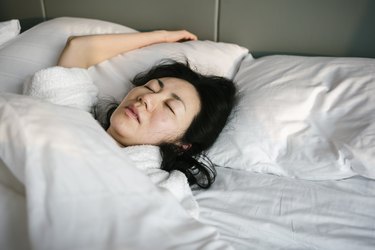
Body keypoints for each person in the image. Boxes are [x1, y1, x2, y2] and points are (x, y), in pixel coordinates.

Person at [51, 30, 237, 188]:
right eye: (150, 88)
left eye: (169, 107)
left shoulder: (160, 188)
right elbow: (78, 47)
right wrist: (162, 36)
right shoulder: (72, 114)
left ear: (182, 145)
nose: (146, 98)